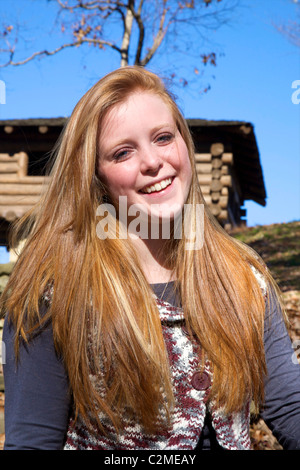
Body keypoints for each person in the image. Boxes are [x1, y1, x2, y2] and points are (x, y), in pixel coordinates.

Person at [1, 66, 300, 450]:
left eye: (163, 138)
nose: (152, 162)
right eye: (123, 152)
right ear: (95, 176)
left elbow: (291, 407)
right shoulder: (53, 293)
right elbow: (32, 442)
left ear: (185, 146)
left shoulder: (245, 279)